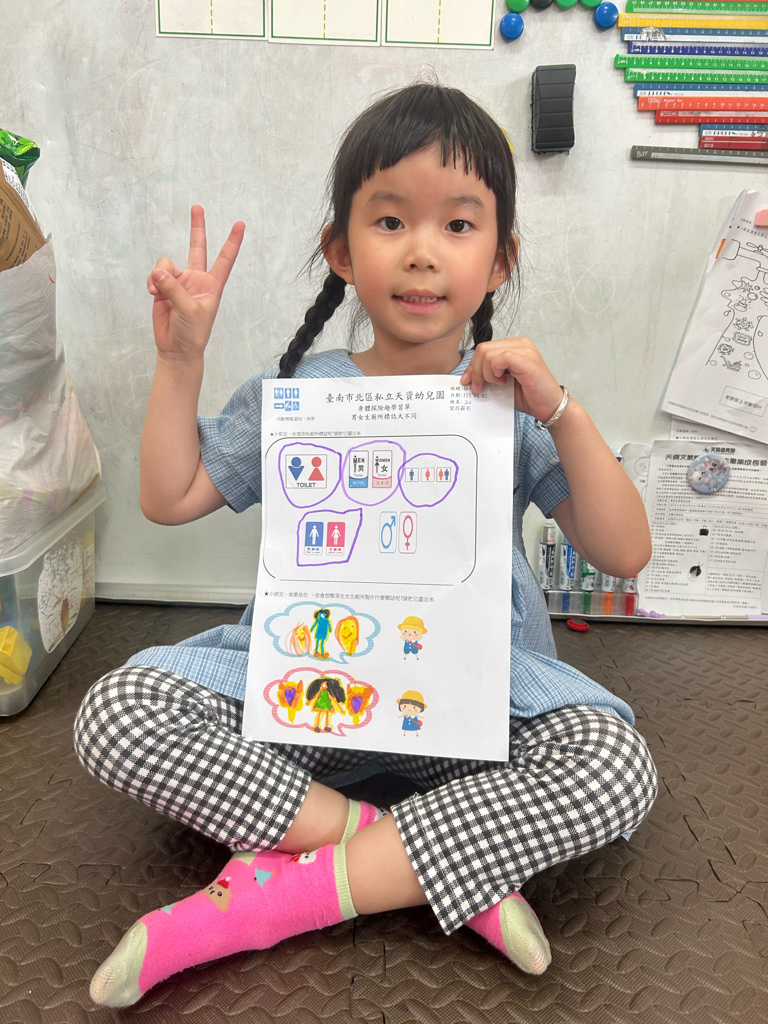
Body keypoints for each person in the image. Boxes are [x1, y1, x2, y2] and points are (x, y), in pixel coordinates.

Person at [73, 82, 657, 1008]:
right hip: (307, 696)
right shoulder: (299, 394)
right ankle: (426, 859)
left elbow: (625, 554)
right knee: (118, 713)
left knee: (613, 766)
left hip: (475, 704)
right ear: (342, 252)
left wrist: (563, 411)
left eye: (458, 225)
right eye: (390, 220)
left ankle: (285, 889)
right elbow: (170, 496)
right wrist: (181, 358)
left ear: (500, 259)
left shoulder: (514, 406)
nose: (422, 250)